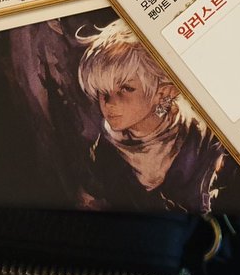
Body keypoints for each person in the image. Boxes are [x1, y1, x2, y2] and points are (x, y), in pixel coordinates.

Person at [75, 19, 223, 212]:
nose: (109, 104)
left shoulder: (200, 138)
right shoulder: (105, 150)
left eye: (126, 89)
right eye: (103, 93)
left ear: (163, 91)